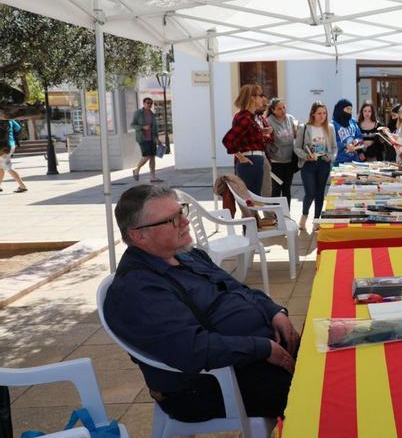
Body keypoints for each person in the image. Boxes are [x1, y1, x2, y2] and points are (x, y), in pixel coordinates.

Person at [104, 184, 298, 423]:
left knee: (335, 354)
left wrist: (274, 312)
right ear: (138, 235)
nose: (185, 221)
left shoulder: (188, 256)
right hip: (210, 383)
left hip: (251, 355)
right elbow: (193, 350)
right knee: (322, 395)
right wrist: (263, 348)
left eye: (181, 211)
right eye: (171, 220)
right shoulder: (137, 290)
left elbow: (238, 289)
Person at [294, 102, 337, 231]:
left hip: (323, 163)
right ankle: (304, 215)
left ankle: (317, 220)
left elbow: (334, 147)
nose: (322, 116)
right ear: (313, 113)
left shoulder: (330, 127)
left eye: (324, 113)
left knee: (320, 194)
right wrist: (306, 156)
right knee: (310, 193)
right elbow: (297, 147)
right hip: (308, 164)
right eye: (319, 113)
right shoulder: (304, 127)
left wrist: (331, 157)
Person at [226, 84, 272, 195]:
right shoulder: (245, 117)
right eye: (260, 95)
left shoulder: (250, 117)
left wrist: (262, 132)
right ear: (252, 98)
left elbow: (246, 136)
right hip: (250, 160)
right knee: (251, 200)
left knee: (254, 199)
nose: (263, 98)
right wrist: (241, 157)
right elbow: (228, 140)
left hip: (256, 159)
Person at [266, 98, 299, 208]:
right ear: (273, 110)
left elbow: (297, 135)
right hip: (276, 162)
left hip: (289, 161)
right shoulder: (268, 121)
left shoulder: (290, 119)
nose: (283, 110)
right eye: (279, 109)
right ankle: (276, 216)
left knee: (287, 189)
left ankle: (286, 216)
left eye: (284, 107)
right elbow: (267, 141)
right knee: (276, 190)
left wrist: (297, 132)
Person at [131, 97, 161, 182]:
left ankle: (153, 177)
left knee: (152, 157)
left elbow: (154, 128)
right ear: (143, 103)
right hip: (142, 138)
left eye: (151, 103)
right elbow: (132, 125)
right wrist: (142, 127)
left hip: (152, 138)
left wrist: (157, 139)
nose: (149, 105)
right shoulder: (138, 113)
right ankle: (136, 170)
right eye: (147, 103)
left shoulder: (152, 114)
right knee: (146, 156)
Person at [331, 98, 363, 165]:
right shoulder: (333, 124)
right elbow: (331, 142)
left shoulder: (353, 122)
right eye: (347, 109)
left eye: (351, 109)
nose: (349, 112)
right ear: (340, 109)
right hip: (339, 161)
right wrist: (345, 145)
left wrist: (356, 142)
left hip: (354, 160)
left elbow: (360, 136)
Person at [255, 94, 275, 198]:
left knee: (267, 189)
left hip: (263, 156)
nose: (265, 107)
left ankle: (268, 214)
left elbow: (271, 138)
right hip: (250, 158)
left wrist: (267, 133)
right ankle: (252, 214)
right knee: (252, 192)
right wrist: (262, 133)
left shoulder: (262, 119)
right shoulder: (245, 117)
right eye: (263, 104)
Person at [0, 119, 26, 193]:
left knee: (8, 167)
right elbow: (18, 128)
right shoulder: (10, 119)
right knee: (1, 167)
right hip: (11, 144)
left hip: (3, 147)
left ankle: (22, 186)